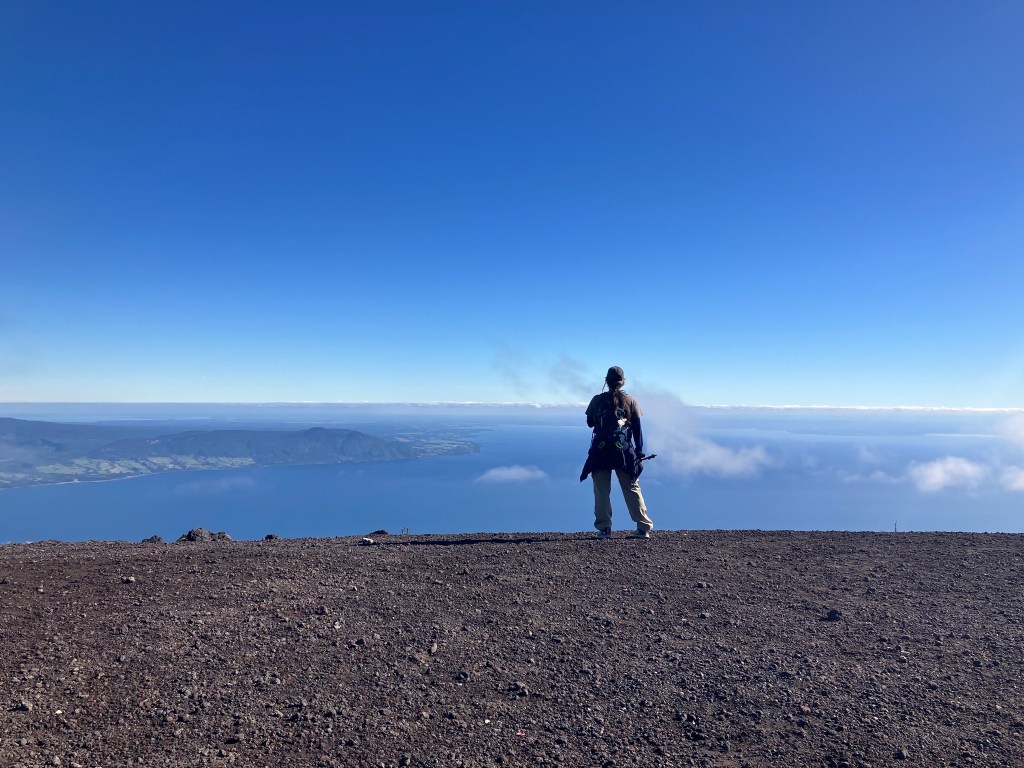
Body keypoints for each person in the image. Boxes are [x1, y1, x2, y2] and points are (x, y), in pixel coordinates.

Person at [580, 366, 654, 539]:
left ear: (605, 381)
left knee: (601, 490)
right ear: (623, 382)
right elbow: (637, 428)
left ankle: (604, 528)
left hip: (600, 451)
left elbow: (590, 423)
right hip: (624, 452)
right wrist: (639, 450)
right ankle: (643, 528)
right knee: (631, 486)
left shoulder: (597, 400)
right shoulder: (631, 400)